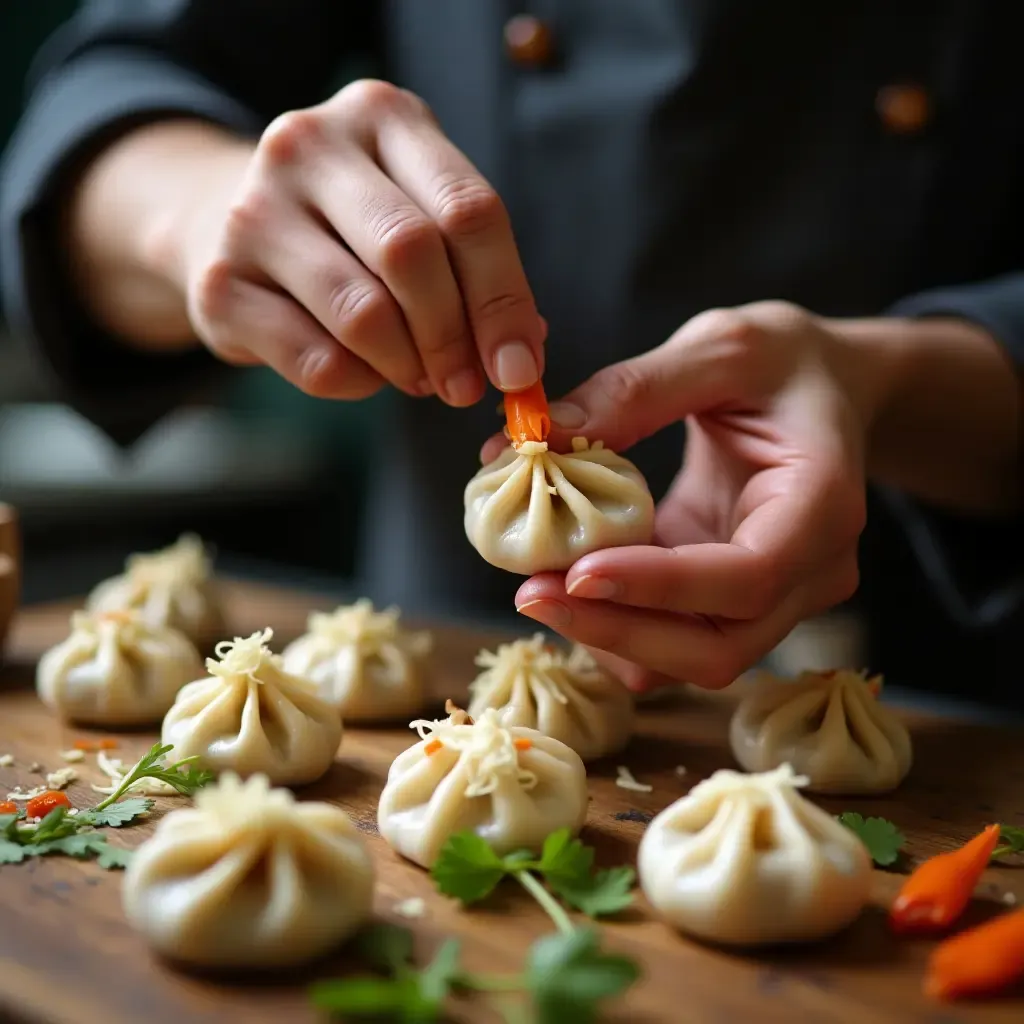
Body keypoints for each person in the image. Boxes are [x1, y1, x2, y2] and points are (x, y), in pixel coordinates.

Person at [1, 2, 1020, 699]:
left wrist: (887, 386)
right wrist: (192, 211)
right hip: (447, 652)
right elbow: (121, 76)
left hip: (955, 680)